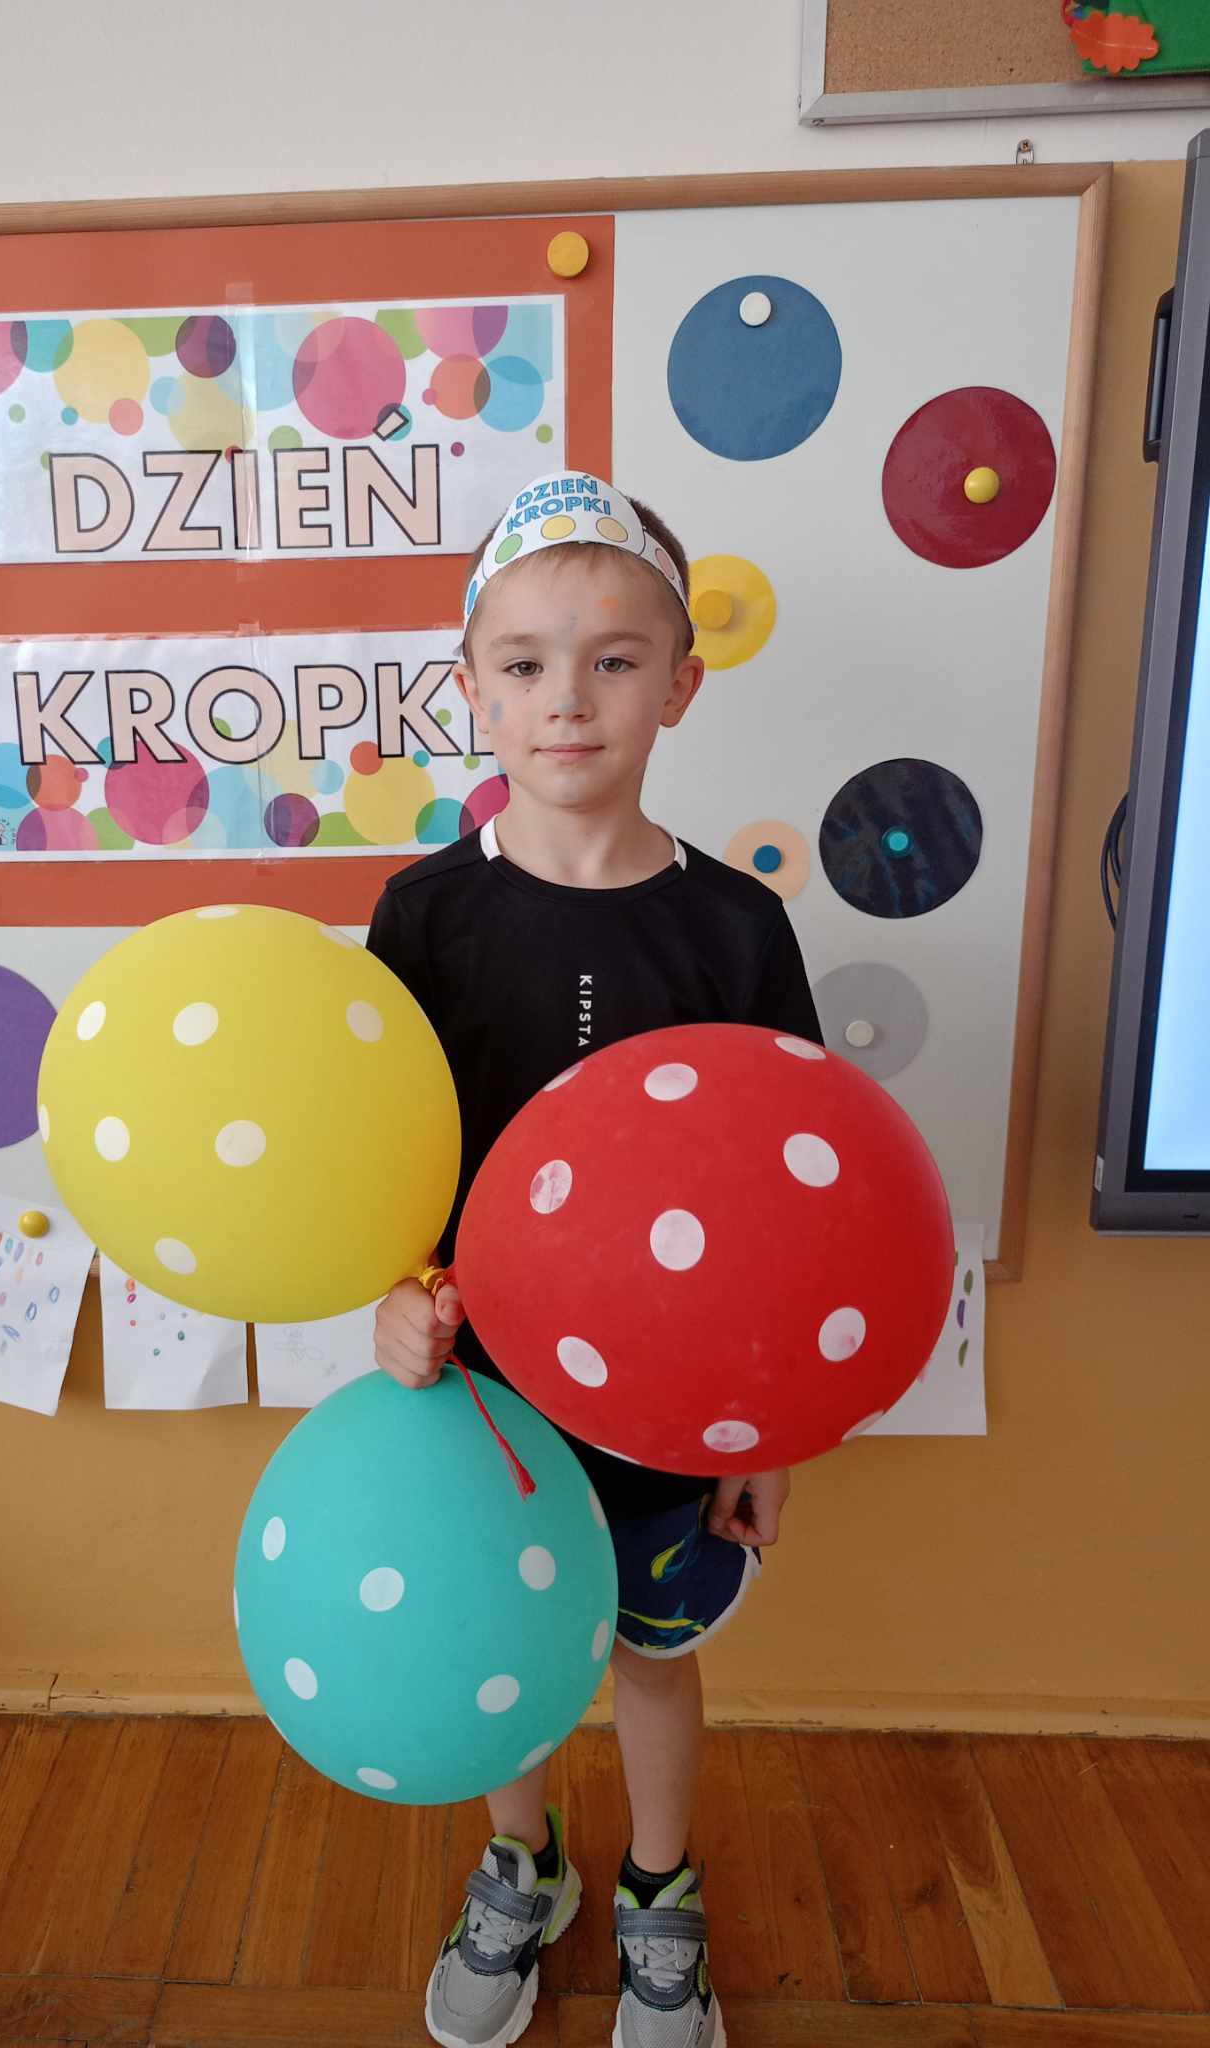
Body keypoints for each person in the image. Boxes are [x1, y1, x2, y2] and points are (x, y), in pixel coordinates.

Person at [365, 473, 823, 2048]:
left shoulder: (736, 930)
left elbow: (784, 1202)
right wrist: (394, 1300)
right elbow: (384, 1164)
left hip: (673, 1405)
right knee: (501, 1640)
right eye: (526, 662)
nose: (569, 699)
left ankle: (658, 1892)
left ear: (679, 685)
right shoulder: (423, 915)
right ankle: (523, 1863)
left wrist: (764, 1426)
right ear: (473, 687)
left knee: (647, 1651)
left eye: (615, 661)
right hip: (481, 1388)